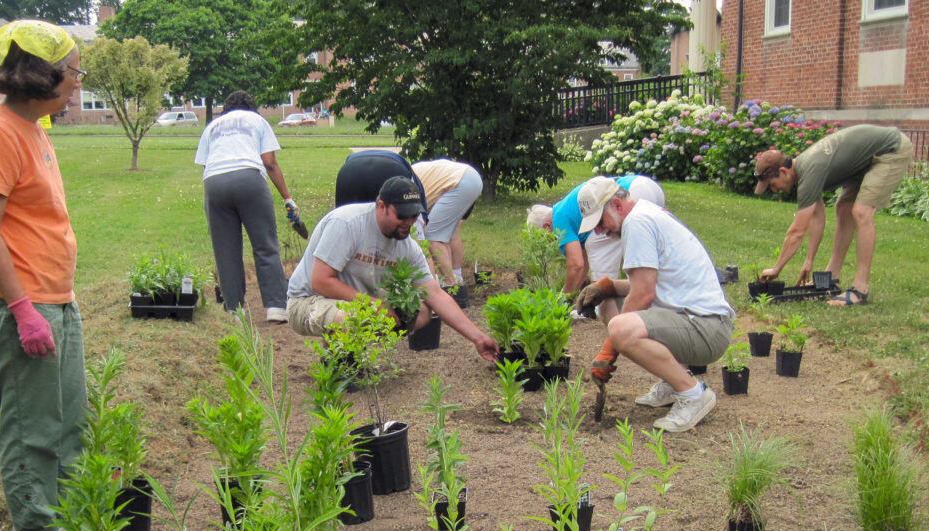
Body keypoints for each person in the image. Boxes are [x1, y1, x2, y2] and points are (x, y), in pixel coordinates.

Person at [0, 19, 87, 531]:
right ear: (43, 75)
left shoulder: (34, 127)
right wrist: (22, 311)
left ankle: (65, 526)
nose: (78, 83)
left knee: (67, 426)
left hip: (55, 299)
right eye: (73, 72)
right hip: (26, 308)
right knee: (31, 429)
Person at [575, 177, 734, 433]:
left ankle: (693, 394)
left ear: (616, 204)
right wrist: (608, 287)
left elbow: (643, 294)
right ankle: (673, 381)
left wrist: (609, 349)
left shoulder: (637, 223)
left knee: (621, 329)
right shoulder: (645, 215)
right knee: (611, 305)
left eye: (600, 223)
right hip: (698, 320)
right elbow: (651, 283)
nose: (600, 231)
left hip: (706, 328)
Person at [287, 177, 499, 362]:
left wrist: (478, 337)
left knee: (422, 311)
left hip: (354, 303)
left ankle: (352, 351)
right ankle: (338, 364)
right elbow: (320, 281)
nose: (408, 222)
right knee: (349, 318)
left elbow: (435, 294)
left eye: (413, 215)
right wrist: (374, 305)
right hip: (307, 301)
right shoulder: (348, 223)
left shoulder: (408, 247)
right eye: (402, 215)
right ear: (381, 206)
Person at [754, 124, 913, 306]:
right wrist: (809, 260)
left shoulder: (810, 170)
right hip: (867, 159)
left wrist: (777, 268)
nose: (774, 190)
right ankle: (831, 277)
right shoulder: (806, 170)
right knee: (844, 208)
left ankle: (860, 289)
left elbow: (797, 231)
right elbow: (816, 217)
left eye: (773, 184)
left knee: (861, 212)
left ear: (783, 171)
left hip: (890, 149)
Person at [194, 90, 298, 322]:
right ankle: (276, 307)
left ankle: (234, 310)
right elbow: (269, 163)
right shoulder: (258, 121)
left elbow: (206, 166)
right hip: (250, 180)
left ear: (226, 108)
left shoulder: (212, 127)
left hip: (214, 184)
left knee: (226, 251)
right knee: (264, 244)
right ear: (252, 107)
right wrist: (287, 198)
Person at [526, 174, 665, 297]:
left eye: (543, 238)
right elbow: (583, 263)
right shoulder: (564, 209)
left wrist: (563, 299)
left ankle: (602, 299)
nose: (549, 243)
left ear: (546, 227)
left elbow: (576, 264)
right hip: (647, 186)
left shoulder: (559, 220)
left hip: (628, 193)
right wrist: (574, 293)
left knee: (596, 243)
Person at [411, 159, 482, 287]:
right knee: (447, 236)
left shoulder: (402, 185)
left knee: (433, 238)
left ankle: (450, 285)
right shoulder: (407, 174)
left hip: (459, 183)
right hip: (468, 179)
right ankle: (455, 280)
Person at [334, 149, 428, 212]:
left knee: (347, 218)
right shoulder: (414, 182)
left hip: (350, 169)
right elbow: (418, 222)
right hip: (391, 170)